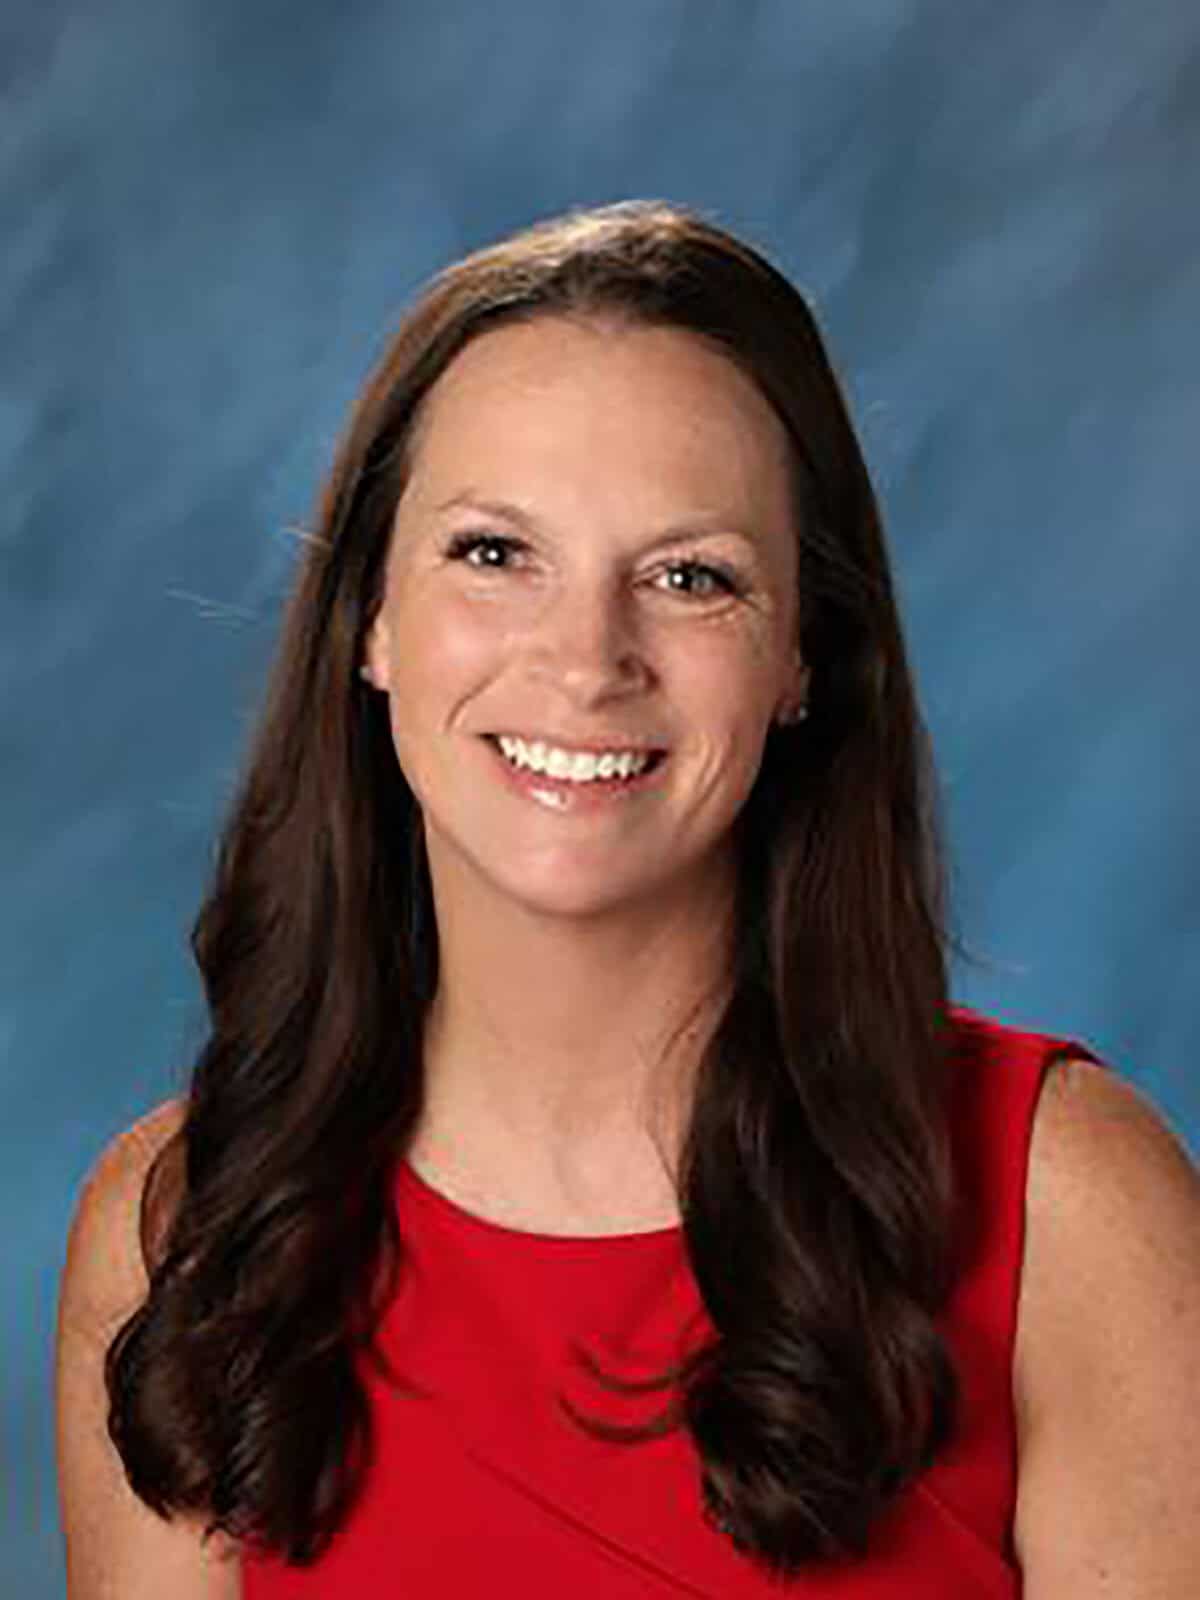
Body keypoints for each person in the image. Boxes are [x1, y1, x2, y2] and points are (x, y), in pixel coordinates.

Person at [55, 200, 1200, 1598]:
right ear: (373, 622)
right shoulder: (180, 1233)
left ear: (800, 658)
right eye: (492, 552)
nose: (589, 656)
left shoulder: (1067, 1209)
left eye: (688, 576)